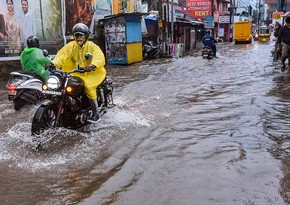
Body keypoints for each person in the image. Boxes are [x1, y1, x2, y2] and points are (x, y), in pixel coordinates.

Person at [52, 23, 106, 124]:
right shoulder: (72, 46)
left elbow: (99, 57)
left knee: (89, 87)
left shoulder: (92, 46)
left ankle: (96, 114)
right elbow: (62, 55)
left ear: (86, 36)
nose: (79, 38)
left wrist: (92, 65)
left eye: (81, 35)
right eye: (77, 35)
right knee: (63, 84)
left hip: (93, 72)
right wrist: (53, 64)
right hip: (77, 72)